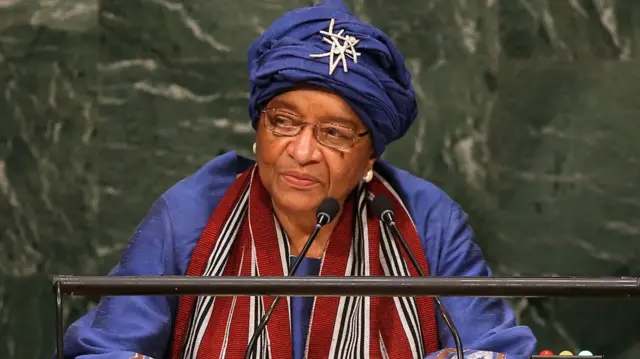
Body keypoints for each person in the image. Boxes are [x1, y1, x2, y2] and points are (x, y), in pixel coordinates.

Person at [57, 1, 537, 358]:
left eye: (333, 133)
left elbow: (493, 347)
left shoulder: (423, 219)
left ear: (371, 154)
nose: (302, 151)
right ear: (258, 129)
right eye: (283, 122)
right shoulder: (190, 213)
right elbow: (104, 347)